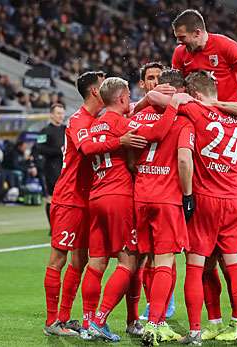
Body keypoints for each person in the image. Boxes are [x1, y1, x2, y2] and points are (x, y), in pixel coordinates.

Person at [80, 77, 182, 342]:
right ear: (123, 98)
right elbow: (158, 133)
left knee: (97, 261)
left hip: (96, 195)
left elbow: (88, 148)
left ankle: (89, 319)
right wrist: (174, 107)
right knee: (129, 261)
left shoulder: (96, 123)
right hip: (119, 196)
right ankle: (100, 320)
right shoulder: (124, 125)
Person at [174, 71, 237, 347]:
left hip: (205, 200)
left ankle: (196, 332)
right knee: (235, 264)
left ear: (196, 95)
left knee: (196, 265)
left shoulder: (196, 113)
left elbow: (173, 99)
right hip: (235, 200)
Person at [42, 71, 108, 338]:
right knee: (59, 258)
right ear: (94, 91)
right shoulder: (78, 120)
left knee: (80, 261)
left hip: (87, 199)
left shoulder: (97, 119)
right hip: (69, 199)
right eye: (104, 86)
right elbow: (86, 149)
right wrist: (119, 140)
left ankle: (65, 318)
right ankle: (50, 321)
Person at [130, 69, 194, 346]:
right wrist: (188, 195)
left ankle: (141, 317)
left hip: (140, 195)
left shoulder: (137, 115)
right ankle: (156, 323)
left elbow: (131, 159)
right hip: (167, 198)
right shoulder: (183, 121)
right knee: (166, 261)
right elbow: (183, 161)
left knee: (146, 259)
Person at [171, 9, 237, 102]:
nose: (178, 42)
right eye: (177, 37)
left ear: (197, 33)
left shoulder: (226, 46)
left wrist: (229, 105)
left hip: (223, 112)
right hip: (194, 110)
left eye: (182, 37)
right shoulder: (179, 52)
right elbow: (177, 83)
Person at [36, 103, 66, 224]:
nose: (61, 116)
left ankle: (63, 224)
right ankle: (53, 227)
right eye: (58, 113)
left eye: (62, 113)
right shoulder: (44, 131)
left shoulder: (66, 129)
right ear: (51, 115)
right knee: (52, 198)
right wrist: (58, 151)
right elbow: (39, 148)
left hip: (65, 168)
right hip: (51, 169)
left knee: (65, 198)